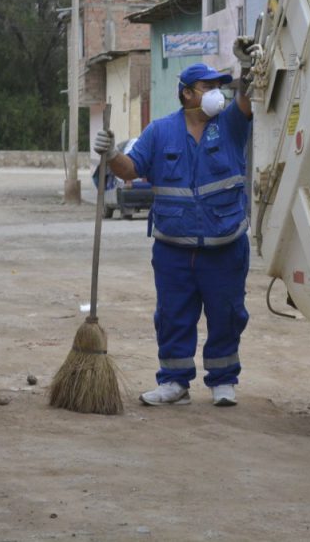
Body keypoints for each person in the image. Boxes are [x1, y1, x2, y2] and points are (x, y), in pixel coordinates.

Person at [93, 62, 253, 407]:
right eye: (207, 87)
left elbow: (247, 100)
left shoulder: (231, 125)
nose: (215, 94)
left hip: (225, 245)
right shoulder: (160, 131)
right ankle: (174, 382)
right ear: (186, 93)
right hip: (174, 249)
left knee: (227, 315)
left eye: (218, 87)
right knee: (172, 317)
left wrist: (250, 72)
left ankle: (223, 381)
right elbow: (131, 170)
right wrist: (111, 154)